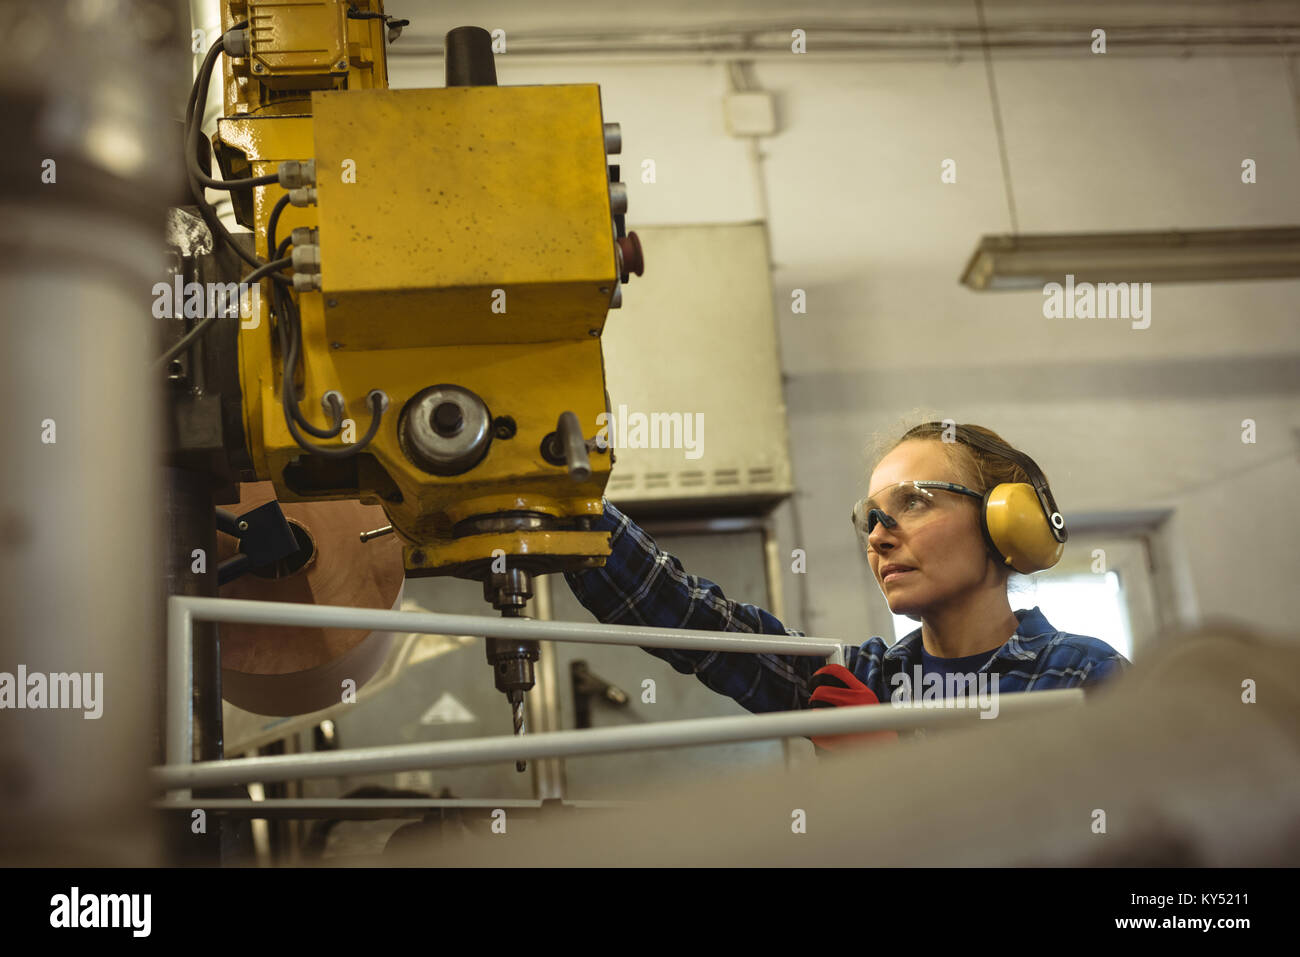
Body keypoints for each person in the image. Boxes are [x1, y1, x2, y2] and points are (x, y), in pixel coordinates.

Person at [562, 421, 1130, 745]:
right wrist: (568, 502)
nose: (879, 537)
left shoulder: (1081, 677)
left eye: (915, 502)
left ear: (1005, 522)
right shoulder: (861, 680)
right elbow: (690, 618)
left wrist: (890, 778)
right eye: (872, 516)